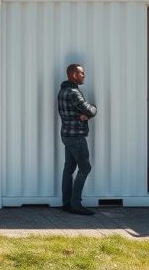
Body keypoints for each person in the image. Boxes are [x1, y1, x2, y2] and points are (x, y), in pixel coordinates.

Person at [57, 63, 97, 215]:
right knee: (85, 168)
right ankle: (76, 204)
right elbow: (90, 110)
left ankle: (66, 203)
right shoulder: (74, 92)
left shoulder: (62, 90)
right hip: (76, 136)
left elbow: (69, 113)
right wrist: (92, 108)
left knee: (69, 168)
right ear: (73, 74)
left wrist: (79, 115)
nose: (84, 76)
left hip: (66, 134)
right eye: (82, 73)